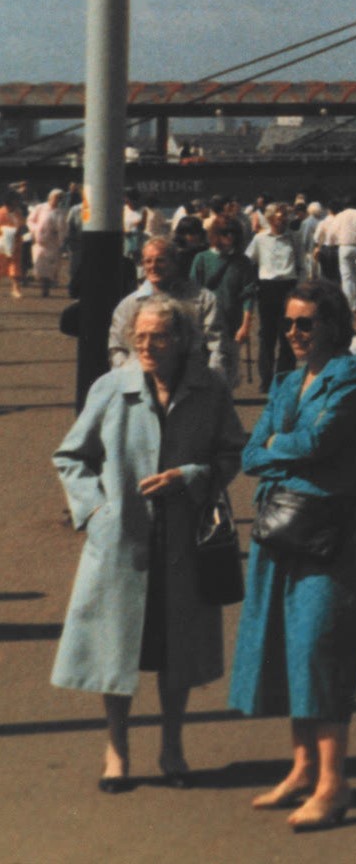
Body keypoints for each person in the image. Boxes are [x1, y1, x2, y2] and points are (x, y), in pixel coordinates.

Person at [52, 297, 246, 792]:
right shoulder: (112, 388)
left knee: (175, 649)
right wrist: (97, 512)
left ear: (181, 339)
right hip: (122, 540)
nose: (146, 345)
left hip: (183, 543)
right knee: (115, 651)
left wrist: (194, 476)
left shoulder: (210, 389)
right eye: (139, 337)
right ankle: (116, 751)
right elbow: (71, 457)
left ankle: (172, 747)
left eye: (157, 336)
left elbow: (231, 452)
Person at [229, 281, 356, 830]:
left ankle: (334, 782)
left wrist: (275, 448)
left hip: (332, 531)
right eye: (289, 323)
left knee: (322, 644)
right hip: (280, 524)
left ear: (334, 325)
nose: (294, 333)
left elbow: (319, 442)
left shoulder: (354, 374)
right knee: (286, 643)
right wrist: (276, 449)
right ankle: (301, 769)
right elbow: (251, 452)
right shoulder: (287, 381)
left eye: (306, 323)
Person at [108, 238, 224, 372]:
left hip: (191, 380)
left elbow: (217, 346)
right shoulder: (128, 305)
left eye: (160, 260)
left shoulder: (204, 299)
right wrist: (128, 377)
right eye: (148, 261)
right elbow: (117, 348)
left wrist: (212, 380)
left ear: (175, 263)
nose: (153, 266)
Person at [190, 216, 255, 389]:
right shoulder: (201, 259)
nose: (230, 236)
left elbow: (248, 295)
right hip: (205, 325)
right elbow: (192, 293)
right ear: (215, 235)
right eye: (225, 232)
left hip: (232, 323)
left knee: (231, 371)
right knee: (207, 368)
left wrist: (246, 325)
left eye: (234, 232)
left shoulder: (244, 262)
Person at [247, 203, 302, 383]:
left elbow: (301, 263)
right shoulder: (260, 239)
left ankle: (285, 376)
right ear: (270, 219)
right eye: (280, 217)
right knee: (267, 335)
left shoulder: (294, 238)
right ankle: (266, 377)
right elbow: (249, 260)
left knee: (288, 333)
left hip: (289, 286)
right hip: (267, 288)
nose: (284, 220)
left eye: (286, 216)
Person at [28, 188, 67, 297]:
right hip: (39, 242)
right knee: (39, 266)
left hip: (52, 243)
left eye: (60, 198)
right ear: (50, 197)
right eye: (56, 197)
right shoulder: (40, 208)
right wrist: (35, 230)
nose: (57, 200)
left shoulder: (60, 212)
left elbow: (63, 229)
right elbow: (30, 220)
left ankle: (46, 288)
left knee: (50, 267)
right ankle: (43, 284)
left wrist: (61, 241)